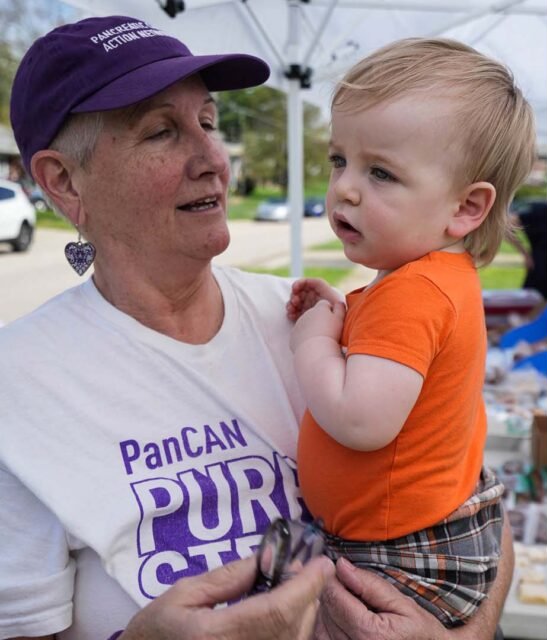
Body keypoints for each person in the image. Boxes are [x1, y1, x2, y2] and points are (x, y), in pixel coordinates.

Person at [0, 16, 509, 640]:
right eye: (162, 132)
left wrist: (468, 633)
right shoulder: (17, 388)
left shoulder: (308, 314)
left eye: (209, 123)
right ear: (63, 181)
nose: (213, 159)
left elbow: (472, 498)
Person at [284, 38, 535, 628]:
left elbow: (360, 420)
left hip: (400, 557)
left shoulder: (414, 292)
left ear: (466, 208)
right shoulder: (437, 279)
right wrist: (341, 319)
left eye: (381, 173)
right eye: (339, 160)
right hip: (417, 535)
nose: (345, 187)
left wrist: (312, 342)